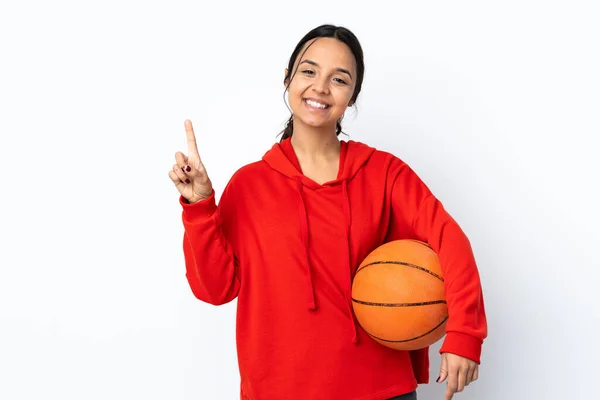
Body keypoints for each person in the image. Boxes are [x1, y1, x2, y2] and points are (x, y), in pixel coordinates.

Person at [168, 24, 487, 400]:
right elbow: (215, 290)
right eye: (308, 71)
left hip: (382, 390)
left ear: (352, 96)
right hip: (279, 391)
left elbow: (449, 238)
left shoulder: (384, 173)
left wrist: (465, 333)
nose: (320, 87)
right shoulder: (249, 185)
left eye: (339, 79)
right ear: (287, 80)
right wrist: (200, 208)